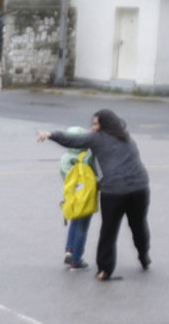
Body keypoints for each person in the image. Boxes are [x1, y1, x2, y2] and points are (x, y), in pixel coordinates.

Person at [38, 109, 151, 281]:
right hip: (140, 188)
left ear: (104, 125)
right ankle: (144, 257)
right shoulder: (126, 137)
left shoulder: (97, 138)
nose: (93, 127)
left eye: (96, 124)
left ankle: (105, 270)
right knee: (138, 225)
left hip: (115, 190)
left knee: (108, 231)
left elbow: (73, 140)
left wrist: (50, 134)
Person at [58, 126, 96, 271]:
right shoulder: (87, 157)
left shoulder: (65, 159)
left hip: (71, 195)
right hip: (85, 195)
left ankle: (69, 249)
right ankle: (76, 259)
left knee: (74, 221)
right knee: (82, 227)